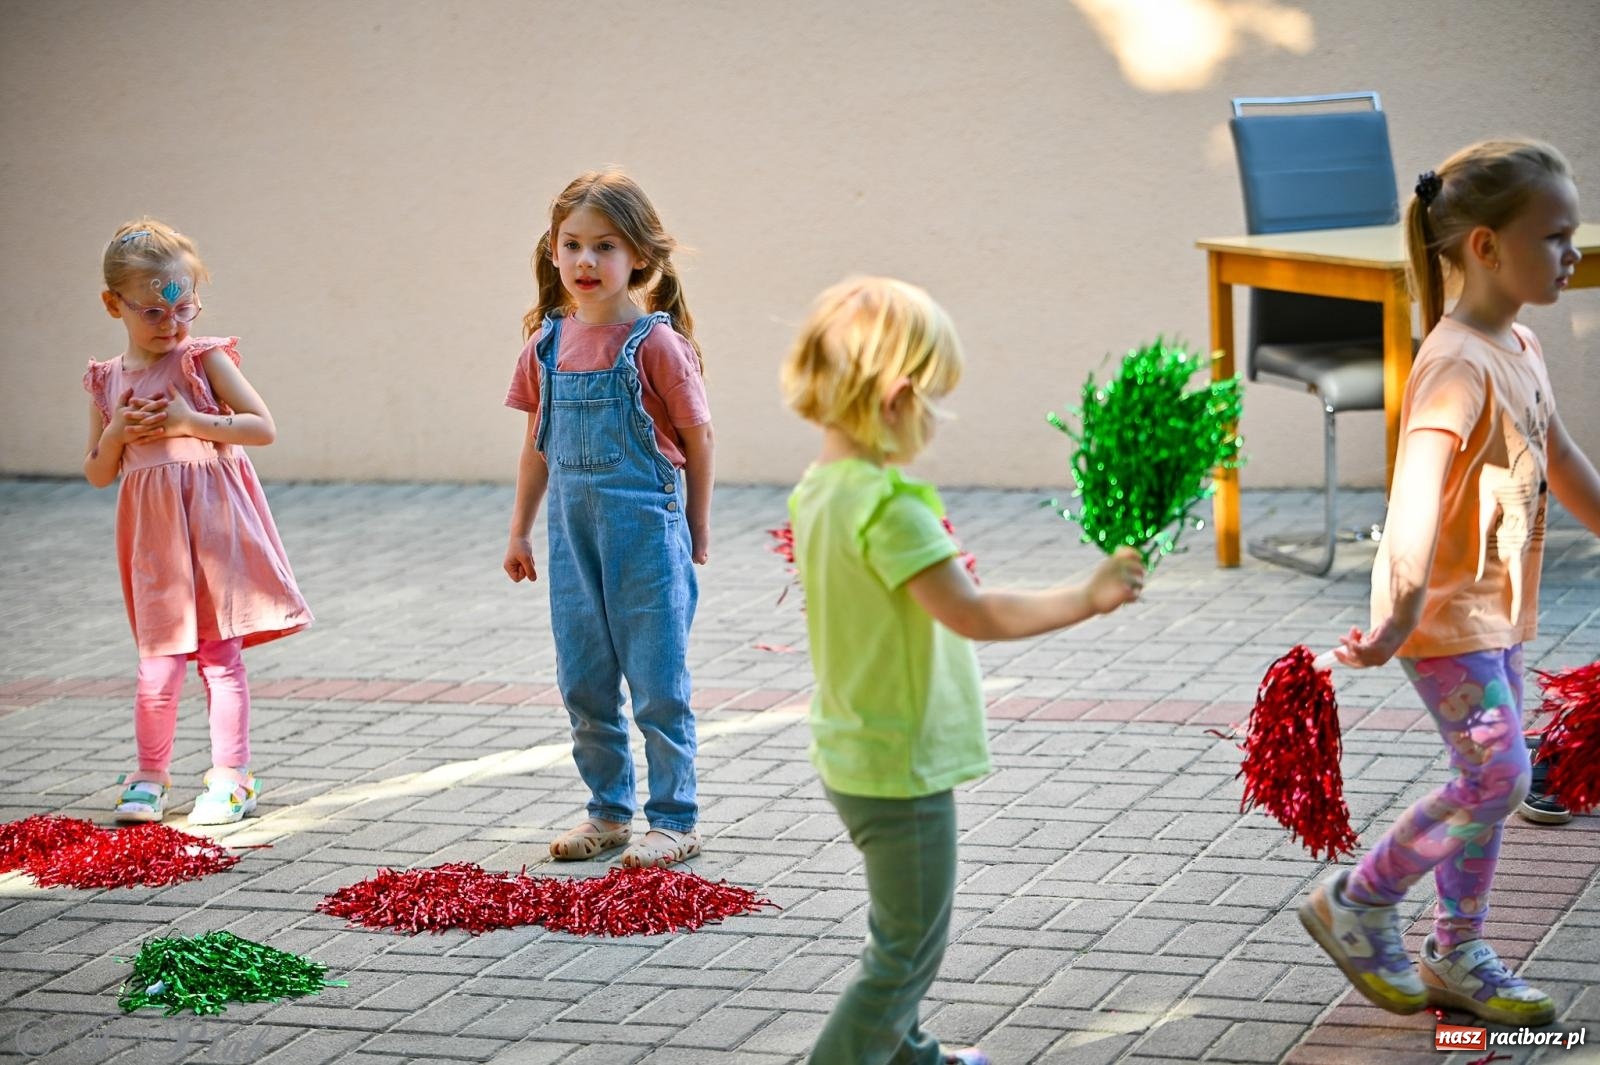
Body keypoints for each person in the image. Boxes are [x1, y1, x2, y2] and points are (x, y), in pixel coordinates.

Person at [781, 277, 1144, 1065]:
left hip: (856, 751)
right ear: (897, 396)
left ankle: (912, 1057)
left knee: (898, 930)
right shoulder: (888, 506)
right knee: (906, 950)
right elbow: (976, 613)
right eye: (936, 401)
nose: (937, 420)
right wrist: (1088, 595)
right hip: (900, 769)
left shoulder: (820, 490)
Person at [1300, 140, 1600, 1027]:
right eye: (1554, 236)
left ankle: (1456, 950)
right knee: (1497, 774)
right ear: (1483, 246)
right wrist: (1393, 616)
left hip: (1495, 610)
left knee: (1490, 781)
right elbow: (1413, 498)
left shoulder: (1520, 342)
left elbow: (1561, 456)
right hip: (1441, 616)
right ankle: (1358, 898)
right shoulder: (1457, 361)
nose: (1571, 253)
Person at [503, 170, 713, 868]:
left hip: (645, 535)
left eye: (606, 246)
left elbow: (699, 437)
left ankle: (675, 818)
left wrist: (697, 524)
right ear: (553, 251)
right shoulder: (545, 345)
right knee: (584, 679)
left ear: (640, 259)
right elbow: (537, 446)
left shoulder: (654, 345)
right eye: (572, 244)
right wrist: (519, 530)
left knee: (657, 678)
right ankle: (608, 812)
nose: (586, 261)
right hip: (571, 540)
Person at [83, 218, 312, 826]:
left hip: (214, 531)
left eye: (184, 308)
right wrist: (114, 433)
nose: (173, 324)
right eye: (154, 312)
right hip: (155, 541)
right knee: (157, 662)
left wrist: (191, 422)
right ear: (114, 305)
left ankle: (232, 776)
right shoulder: (108, 380)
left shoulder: (201, 361)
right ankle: (149, 774)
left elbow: (261, 427)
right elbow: (99, 472)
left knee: (219, 655)